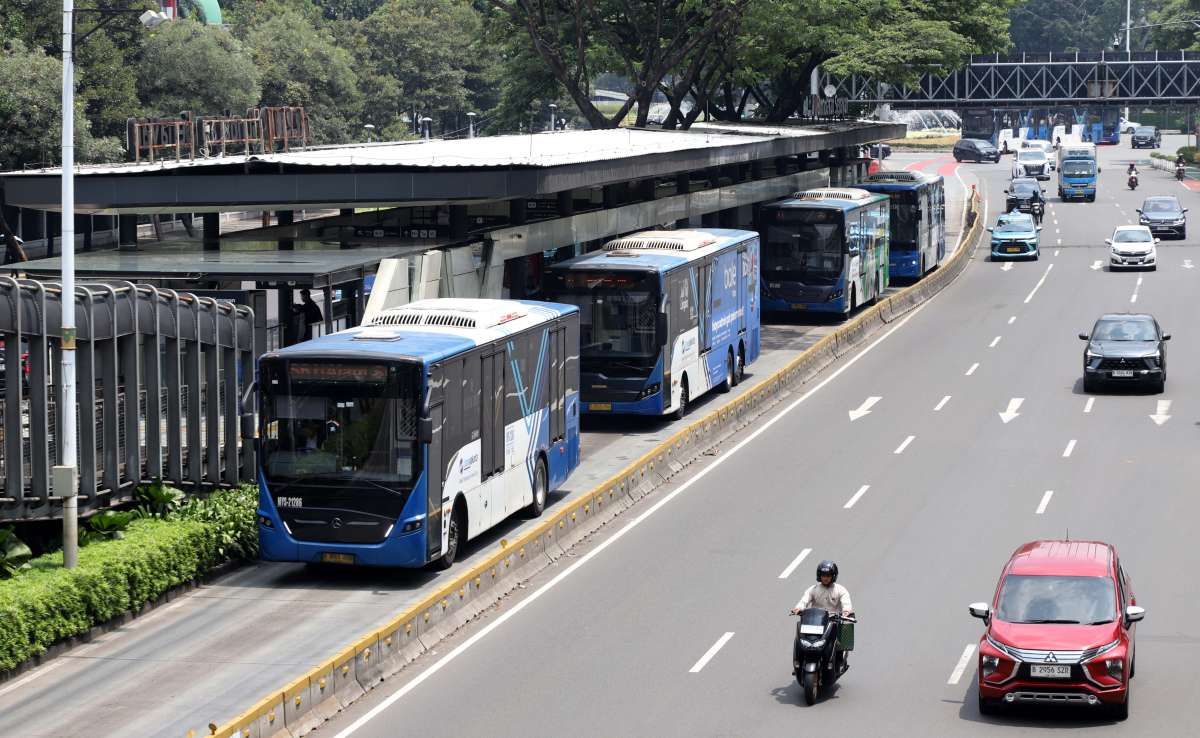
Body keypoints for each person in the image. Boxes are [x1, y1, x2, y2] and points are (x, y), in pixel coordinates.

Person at [792, 560, 854, 668]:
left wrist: (846, 611)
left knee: (839, 640)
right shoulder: (813, 589)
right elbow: (804, 600)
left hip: (832, 621)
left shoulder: (840, 590)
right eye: (823, 575)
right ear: (819, 576)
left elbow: (846, 603)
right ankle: (798, 661)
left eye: (828, 575)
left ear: (833, 576)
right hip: (814, 621)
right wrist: (798, 608)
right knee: (800, 638)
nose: (825, 578)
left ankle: (839, 661)